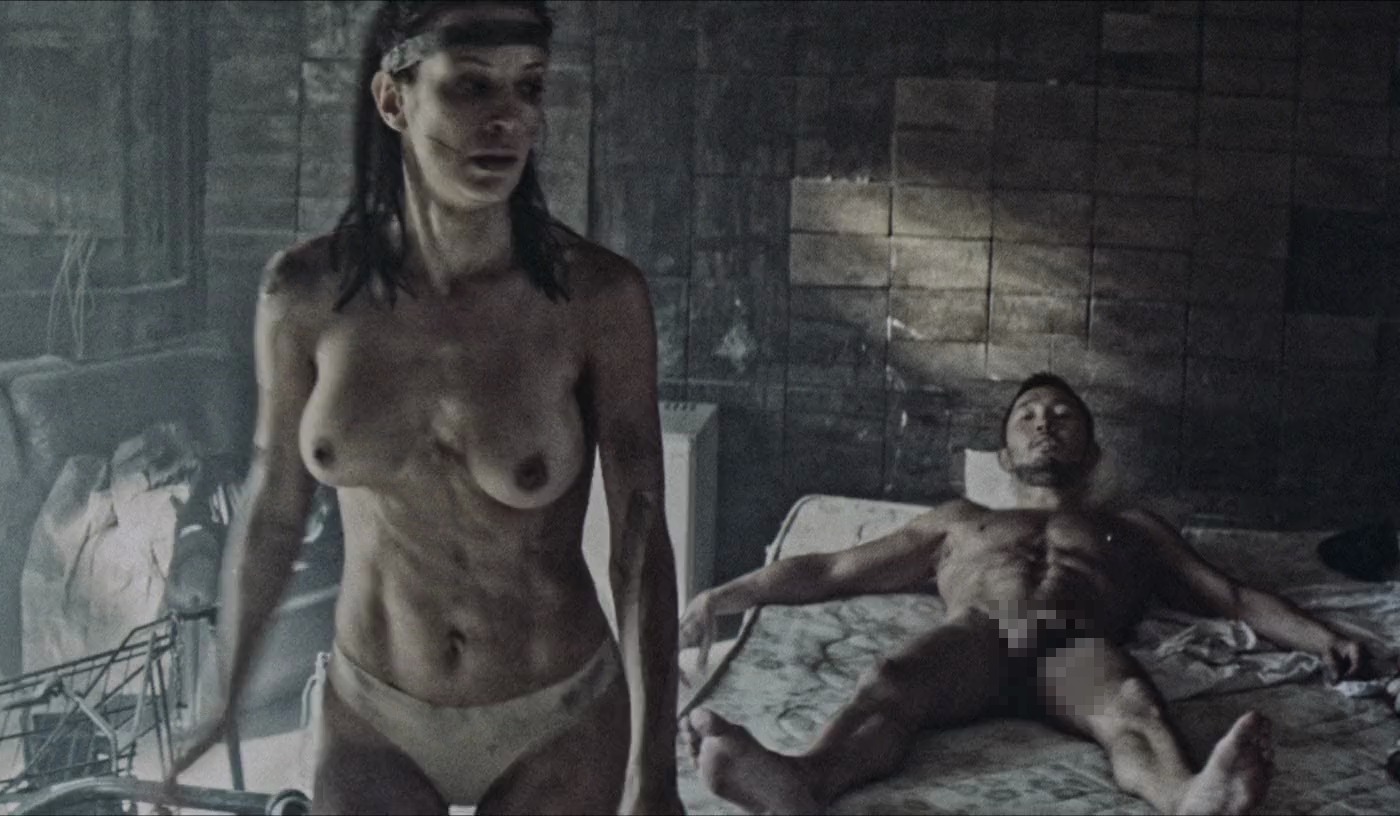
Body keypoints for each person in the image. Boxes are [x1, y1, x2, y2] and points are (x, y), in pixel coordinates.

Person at [171, 2, 683, 814]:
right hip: (374, 713)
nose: (508, 119)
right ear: (393, 99)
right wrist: (222, 696)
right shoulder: (305, 294)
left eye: (529, 86)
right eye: (471, 86)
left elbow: (641, 534)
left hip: (557, 714)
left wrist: (654, 768)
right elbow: (274, 506)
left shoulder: (596, 299)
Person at [676, 372, 1395, 816]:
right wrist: (723, 597)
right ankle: (803, 781)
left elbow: (1231, 597)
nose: (1044, 424)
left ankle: (1188, 798)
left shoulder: (1131, 527)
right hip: (979, 638)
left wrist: (1326, 638)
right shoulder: (961, 521)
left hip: (1068, 647)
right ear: (1005, 453)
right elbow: (834, 569)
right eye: (1028, 416)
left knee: (1133, 708)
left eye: (1062, 416)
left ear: (1091, 450)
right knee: (889, 682)